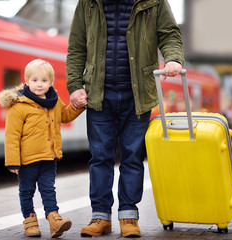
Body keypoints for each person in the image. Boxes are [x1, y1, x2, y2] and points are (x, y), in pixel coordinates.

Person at [66, 0, 184, 237]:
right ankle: (100, 217)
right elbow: (77, 46)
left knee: (132, 157)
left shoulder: (155, 2)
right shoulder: (87, 3)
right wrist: (74, 85)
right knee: (100, 158)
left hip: (138, 93)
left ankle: (129, 216)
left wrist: (173, 58)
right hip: (99, 93)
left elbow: (170, 34)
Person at [0, 59, 85, 238]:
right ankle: (30, 223)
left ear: (51, 82)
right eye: (35, 80)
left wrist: (79, 107)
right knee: (27, 191)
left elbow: (65, 116)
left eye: (44, 81)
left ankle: (54, 220)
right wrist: (13, 162)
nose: (39, 84)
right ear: (27, 81)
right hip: (27, 160)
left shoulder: (54, 101)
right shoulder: (19, 105)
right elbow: (12, 135)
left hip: (48, 158)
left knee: (48, 189)